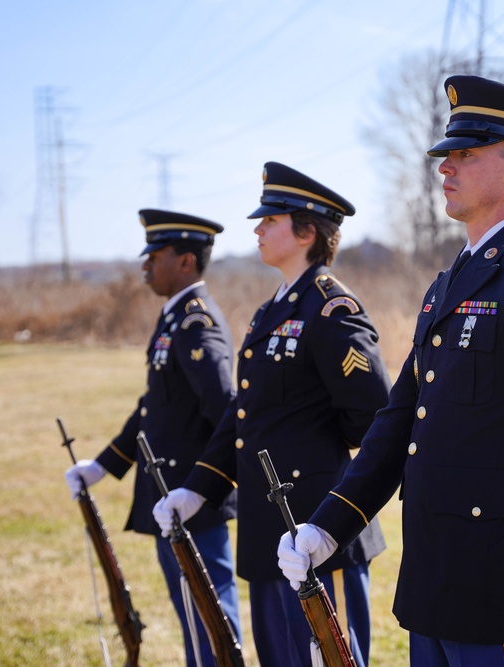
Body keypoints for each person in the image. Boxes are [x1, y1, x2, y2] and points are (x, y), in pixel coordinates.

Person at [276, 75, 504, 666]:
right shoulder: (452, 281)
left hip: (503, 585)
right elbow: (400, 418)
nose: (444, 167)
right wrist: (328, 526)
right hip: (437, 585)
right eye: (446, 155)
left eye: (466, 154)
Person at [153, 162, 392, 666]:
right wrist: (199, 488)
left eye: (270, 220)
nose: (257, 229)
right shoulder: (271, 311)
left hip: (318, 529)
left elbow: (374, 418)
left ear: (306, 231)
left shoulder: (332, 309)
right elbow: (244, 415)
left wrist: (317, 462)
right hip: (268, 528)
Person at [64, 209, 242, 667]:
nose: (145, 265)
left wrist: (202, 489)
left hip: (191, 500)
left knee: (210, 615)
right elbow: (155, 408)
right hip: (172, 499)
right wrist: (104, 465)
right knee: (191, 609)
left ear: (185, 262)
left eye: (155, 256)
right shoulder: (173, 318)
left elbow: (226, 411)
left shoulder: (195, 322)